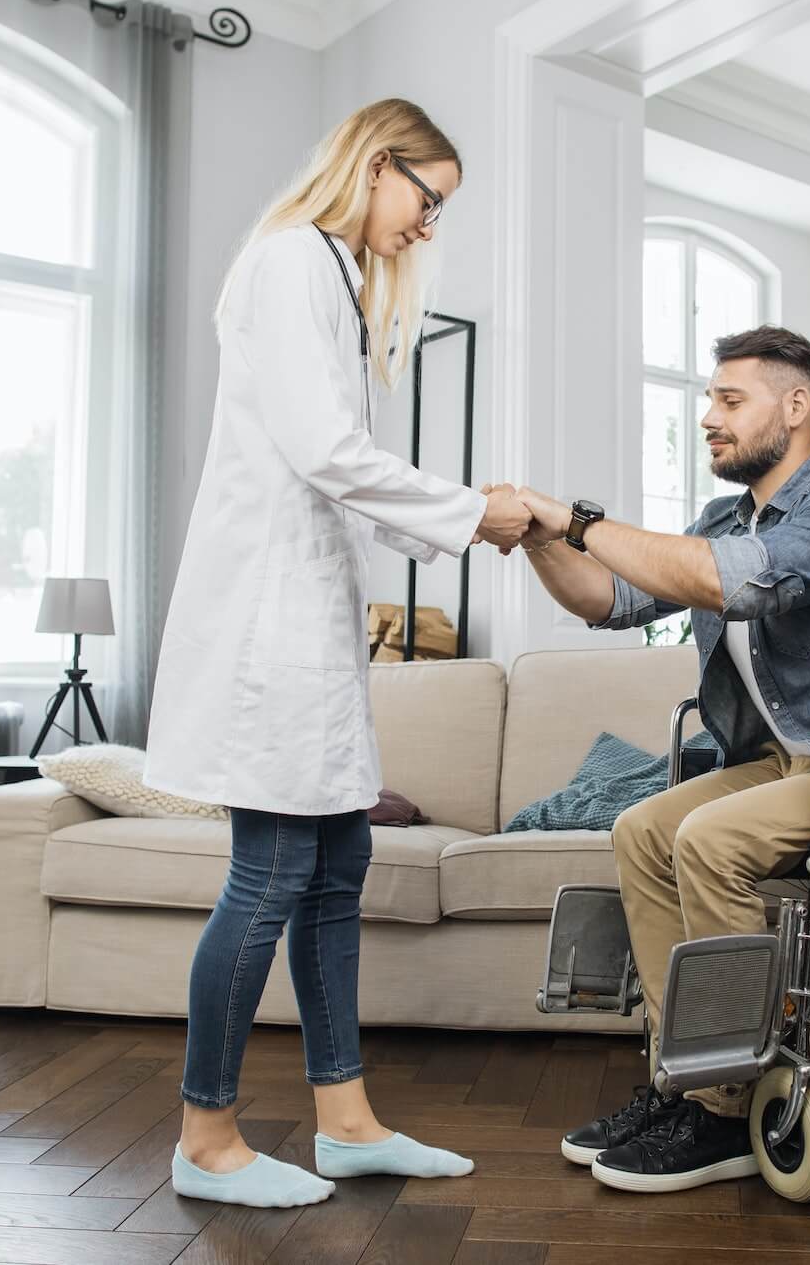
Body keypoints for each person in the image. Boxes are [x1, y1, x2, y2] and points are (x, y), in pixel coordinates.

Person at [144, 98, 532, 1208]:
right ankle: (205, 1139)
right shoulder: (289, 264)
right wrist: (474, 511)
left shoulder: (329, 275)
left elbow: (339, 475)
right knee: (267, 875)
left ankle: (347, 1121)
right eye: (429, 197)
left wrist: (468, 521)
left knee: (336, 871)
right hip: (270, 627)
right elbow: (326, 453)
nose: (429, 224)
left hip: (308, 625)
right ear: (375, 164)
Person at [507, 325, 810, 1194]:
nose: (709, 418)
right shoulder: (724, 515)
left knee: (708, 840)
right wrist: (540, 536)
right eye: (709, 400)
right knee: (643, 827)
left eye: (729, 400)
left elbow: (729, 582)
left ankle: (724, 1106)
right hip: (785, 761)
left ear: (795, 408)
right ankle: (677, 1077)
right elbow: (607, 598)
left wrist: (577, 518)